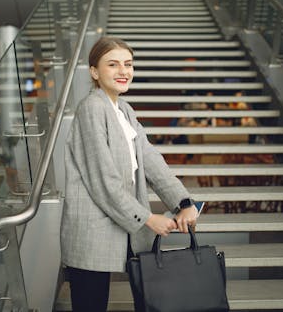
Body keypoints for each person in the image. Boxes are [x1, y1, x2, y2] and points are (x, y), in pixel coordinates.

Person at [60, 36, 199, 312]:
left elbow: (150, 159)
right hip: (93, 230)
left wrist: (183, 202)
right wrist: (147, 217)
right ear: (94, 72)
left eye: (128, 64)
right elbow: (103, 180)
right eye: (113, 64)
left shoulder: (125, 110)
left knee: (148, 303)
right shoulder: (91, 108)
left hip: (125, 229)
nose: (123, 71)